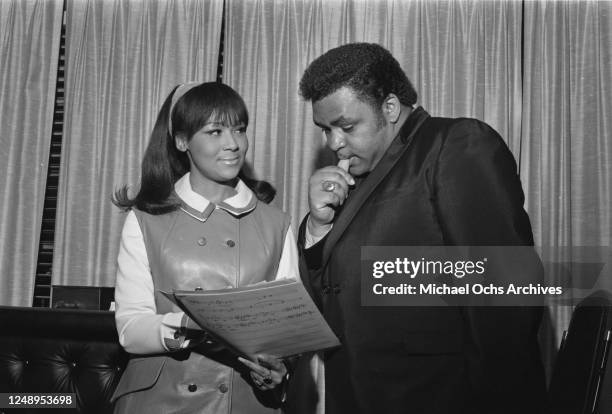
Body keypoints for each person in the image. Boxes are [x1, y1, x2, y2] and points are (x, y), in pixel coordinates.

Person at [294, 43, 546, 413]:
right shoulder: (355, 177)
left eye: (346, 126)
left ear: (390, 108)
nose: (334, 143)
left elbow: (504, 300)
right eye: (325, 130)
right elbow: (331, 295)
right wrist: (318, 227)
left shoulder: (457, 144)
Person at [111, 82, 297, 413]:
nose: (233, 144)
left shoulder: (276, 224)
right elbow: (129, 328)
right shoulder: (145, 219)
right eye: (215, 131)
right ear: (182, 141)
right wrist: (189, 325)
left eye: (240, 130)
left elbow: (284, 334)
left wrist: (274, 372)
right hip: (159, 402)